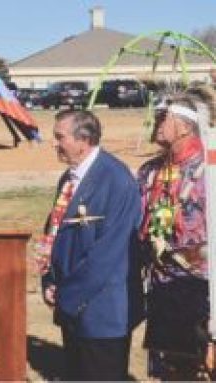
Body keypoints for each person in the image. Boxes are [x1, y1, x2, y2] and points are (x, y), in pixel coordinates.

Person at [39, 109, 142, 380]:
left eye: (59, 137)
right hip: (74, 306)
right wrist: (50, 279)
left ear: (83, 140)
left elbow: (108, 255)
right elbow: (56, 233)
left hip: (102, 311)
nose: (54, 143)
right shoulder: (69, 178)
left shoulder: (116, 180)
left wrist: (67, 294)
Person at [137, 90, 213, 380]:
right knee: (172, 371)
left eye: (161, 117)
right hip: (162, 287)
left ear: (183, 124)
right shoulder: (151, 171)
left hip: (204, 289)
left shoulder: (210, 167)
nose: (154, 123)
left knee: (205, 368)